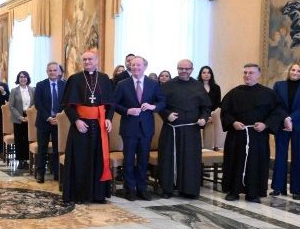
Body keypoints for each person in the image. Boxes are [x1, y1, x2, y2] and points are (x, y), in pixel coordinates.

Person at [220, 64, 286, 202]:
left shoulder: (268, 94)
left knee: (256, 163)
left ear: (258, 75)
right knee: (235, 161)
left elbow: (277, 112)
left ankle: (253, 193)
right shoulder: (234, 93)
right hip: (237, 134)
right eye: (245, 72)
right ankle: (233, 191)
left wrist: (265, 124)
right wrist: (233, 122)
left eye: (251, 73)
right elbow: (225, 112)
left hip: (258, 135)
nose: (247, 75)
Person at [61, 49, 115, 204]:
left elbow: (111, 104)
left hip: (99, 126)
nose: (87, 62)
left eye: (90, 59)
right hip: (81, 126)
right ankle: (79, 195)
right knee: (80, 160)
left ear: (97, 60)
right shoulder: (75, 79)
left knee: (98, 159)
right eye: (84, 60)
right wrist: (76, 120)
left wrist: (109, 119)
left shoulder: (104, 79)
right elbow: (67, 105)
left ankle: (98, 195)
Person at [157, 60, 212, 199]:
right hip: (172, 130)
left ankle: (189, 190)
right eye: (181, 68)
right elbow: (159, 105)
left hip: (191, 130)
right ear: (177, 69)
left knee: (190, 160)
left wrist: (204, 118)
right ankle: (167, 189)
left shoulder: (198, 86)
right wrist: (167, 114)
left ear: (192, 70)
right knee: (169, 159)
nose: (184, 71)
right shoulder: (168, 85)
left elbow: (206, 107)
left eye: (187, 69)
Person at [113, 57, 166, 200]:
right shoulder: (122, 84)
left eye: (138, 65)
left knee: (143, 159)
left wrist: (153, 107)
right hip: (129, 127)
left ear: (145, 67)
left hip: (146, 128)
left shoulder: (153, 84)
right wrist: (127, 111)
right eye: (133, 65)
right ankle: (130, 189)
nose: (135, 67)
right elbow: (114, 104)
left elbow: (162, 101)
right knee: (129, 160)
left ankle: (142, 188)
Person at [271, 63, 300, 200]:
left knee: (299, 156)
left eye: (299, 71)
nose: (295, 72)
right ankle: (278, 188)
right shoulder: (279, 85)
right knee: (280, 155)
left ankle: (297, 190)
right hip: (282, 124)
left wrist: (290, 118)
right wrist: (285, 118)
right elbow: (275, 105)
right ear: (289, 70)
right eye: (293, 70)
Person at [33, 62, 66, 183]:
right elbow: (38, 104)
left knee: (58, 149)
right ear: (47, 72)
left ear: (59, 72)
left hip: (59, 122)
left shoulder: (64, 85)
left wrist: (59, 117)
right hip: (44, 121)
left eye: (54, 70)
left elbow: (66, 103)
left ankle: (57, 174)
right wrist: (48, 117)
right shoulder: (40, 85)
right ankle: (40, 174)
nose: (52, 72)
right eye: (50, 70)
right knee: (42, 149)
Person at [8, 70, 34, 170]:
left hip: (29, 117)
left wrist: (29, 116)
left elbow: (35, 104)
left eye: (25, 77)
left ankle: (27, 160)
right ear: (18, 79)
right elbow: (11, 106)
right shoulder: (14, 90)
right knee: (19, 140)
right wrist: (20, 117)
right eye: (21, 77)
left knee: (27, 139)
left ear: (27, 78)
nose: (23, 79)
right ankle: (20, 160)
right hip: (18, 118)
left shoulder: (32, 90)